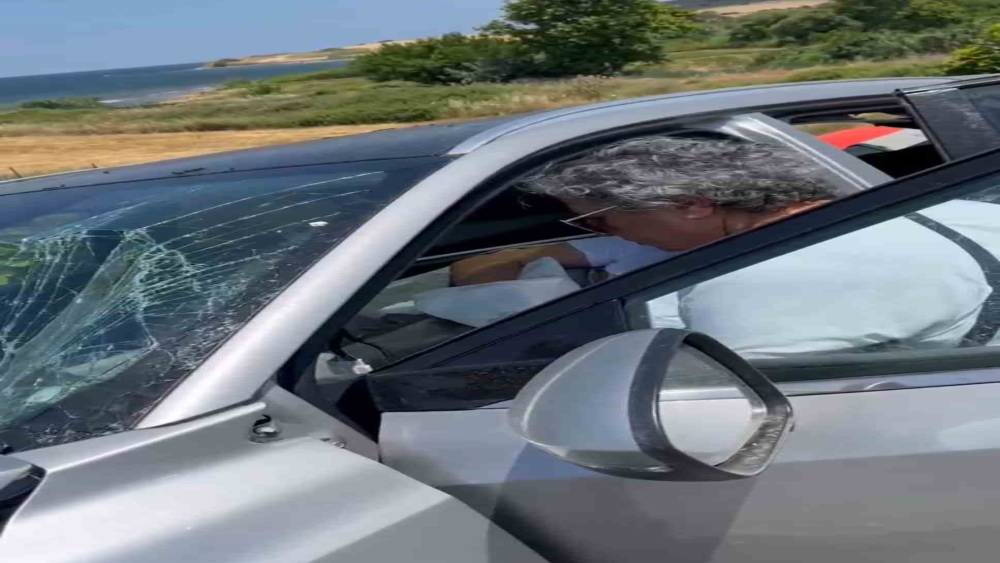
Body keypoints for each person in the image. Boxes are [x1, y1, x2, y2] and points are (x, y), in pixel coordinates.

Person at [495, 136, 1000, 357]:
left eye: (597, 218)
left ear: (692, 204)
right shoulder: (960, 212)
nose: (601, 232)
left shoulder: (761, 279)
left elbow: (725, 419)